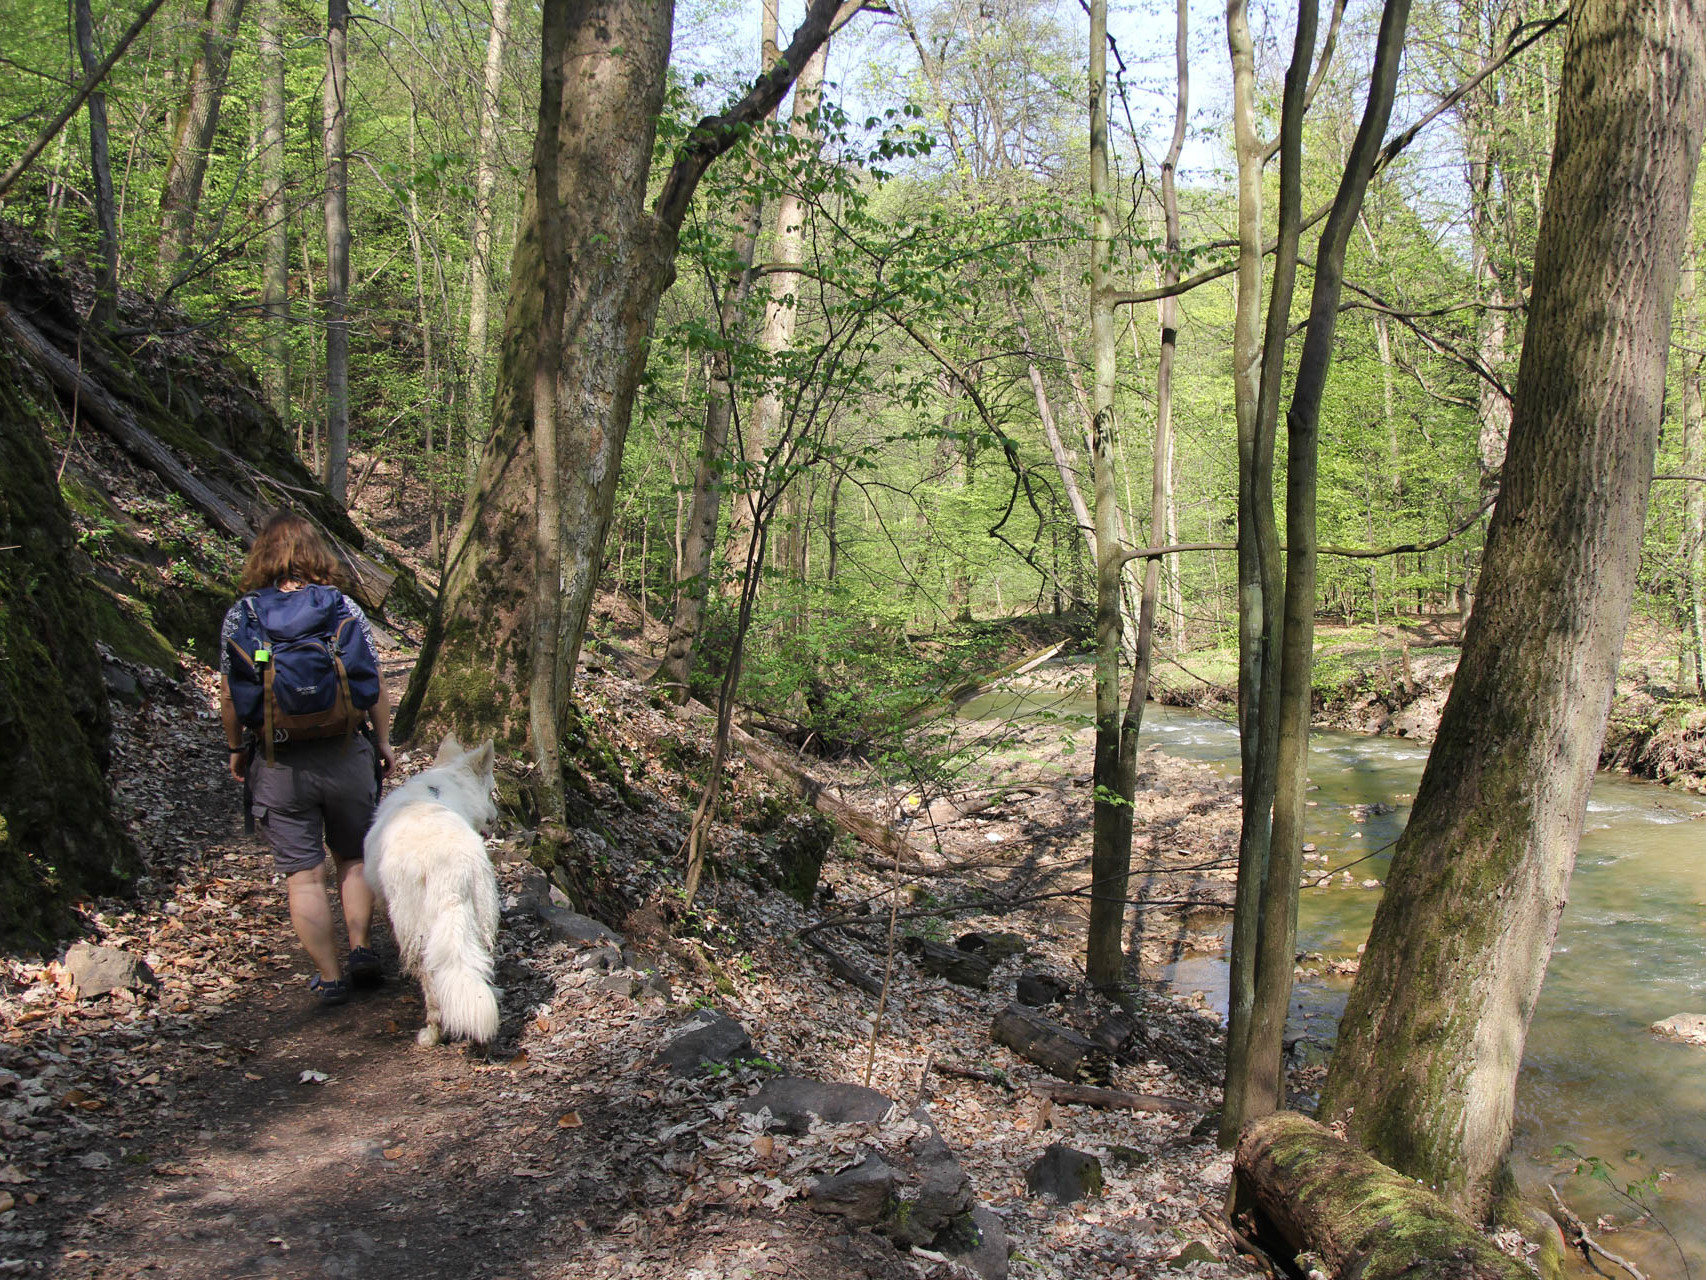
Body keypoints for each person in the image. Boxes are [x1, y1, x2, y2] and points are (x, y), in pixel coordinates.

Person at [217, 512, 397, 1006]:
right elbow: (372, 680)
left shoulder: (245, 614)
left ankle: (331, 976)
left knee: (304, 875)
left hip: (279, 762)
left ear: (263, 556)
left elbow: (231, 696)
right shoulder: (341, 607)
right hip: (345, 752)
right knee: (355, 857)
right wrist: (382, 741)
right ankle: (361, 948)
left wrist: (237, 750)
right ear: (316, 553)